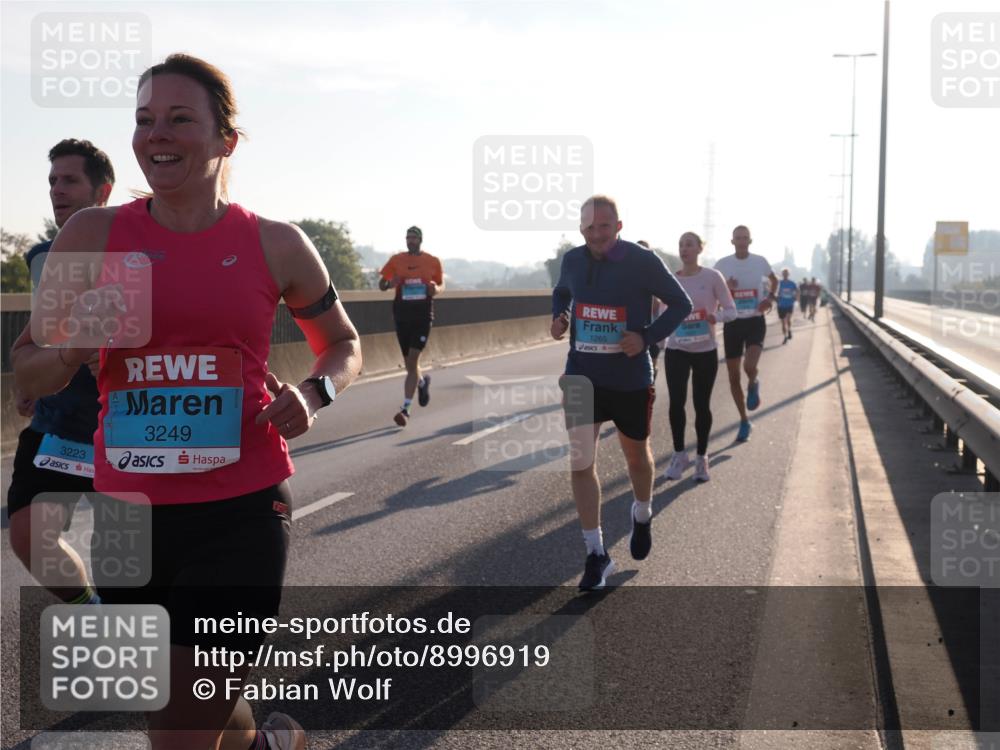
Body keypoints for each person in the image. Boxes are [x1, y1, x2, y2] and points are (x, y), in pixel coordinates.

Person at [12, 54, 362, 750]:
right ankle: (269, 744)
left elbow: (343, 343)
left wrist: (315, 391)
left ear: (226, 139)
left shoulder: (276, 243)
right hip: (128, 518)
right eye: (144, 120)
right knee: (182, 705)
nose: (157, 135)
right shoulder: (92, 236)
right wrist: (76, 348)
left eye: (178, 119)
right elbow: (27, 373)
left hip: (240, 511)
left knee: (176, 732)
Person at [551, 196, 691, 591]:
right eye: (589, 227)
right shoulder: (572, 260)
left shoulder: (642, 261)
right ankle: (596, 554)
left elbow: (681, 303)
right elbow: (562, 292)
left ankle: (642, 513)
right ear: (581, 228)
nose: (597, 234)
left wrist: (645, 337)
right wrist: (559, 317)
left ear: (619, 226)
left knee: (637, 458)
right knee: (581, 462)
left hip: (630, 378)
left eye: (604, 226)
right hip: (581, 375)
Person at [7, 139, 114, 606]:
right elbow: (40, 333)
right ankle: (91, 607)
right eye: (53, 181)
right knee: (28, 535)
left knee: (128, 560)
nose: (57, 190)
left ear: (102, 191)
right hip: (59, 427)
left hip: (122, 430)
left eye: (70, 180)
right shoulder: (42, 257)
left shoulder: (136, 252)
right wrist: (29, 380)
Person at [661, 232, 736, 482]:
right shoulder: (671, 280)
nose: (684, 249)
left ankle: (702, 458)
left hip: (705, 350)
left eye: (689, 244)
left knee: (701, 405)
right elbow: (663, 314)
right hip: (677, 350)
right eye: (681, 245)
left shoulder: (713, 277)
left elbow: (731, 310)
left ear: (699, 249)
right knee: (676, 403)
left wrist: (716, 317)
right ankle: (679, 455)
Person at [714, 225, 778, 442]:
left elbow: (774, 280)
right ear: (732, 241)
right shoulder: (722, 265)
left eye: (745, 238)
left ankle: (753, 381)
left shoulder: (760, 262)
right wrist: (726, 286)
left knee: (749, 366)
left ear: (750, 241)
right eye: (738, 238)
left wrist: (769, 298)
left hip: (755, 321)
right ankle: (744, 420)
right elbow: (713, 289)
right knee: (733, 377)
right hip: (732, 323)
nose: (741, 241)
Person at [378, 226, 444, 427]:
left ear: (420, 240)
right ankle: (422, 383)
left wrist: (435, 289)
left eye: (414, 238)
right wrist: (390, 283)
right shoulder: (396, 260)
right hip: (402, 316)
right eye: (408, 238)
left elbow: (440, 285)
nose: (410, 241)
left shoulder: (432, 261)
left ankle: (405, 409)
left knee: (413, 359)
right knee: (409, 365)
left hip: (422, 316)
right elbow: (381, 285)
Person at [637, 240, 662, 379]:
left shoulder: (655, 275)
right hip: (630, 331)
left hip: (650, 331)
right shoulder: (627, 273)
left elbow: (657, 305)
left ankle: (652, 381)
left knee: (651, 366)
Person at [776, 268, 798, 343]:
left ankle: (789, 330)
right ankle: (785, 336)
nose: (785, 275)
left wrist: (796, 298)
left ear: (788, 274)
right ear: (782, 274)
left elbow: (797, 291)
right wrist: (776, 298)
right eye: (784, 273)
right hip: (781, 305)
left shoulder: (792, 283)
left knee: (788, 320)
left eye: (786, 273)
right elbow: (775, 292)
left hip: (789, 304)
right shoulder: (779, 283)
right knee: (783, 322)